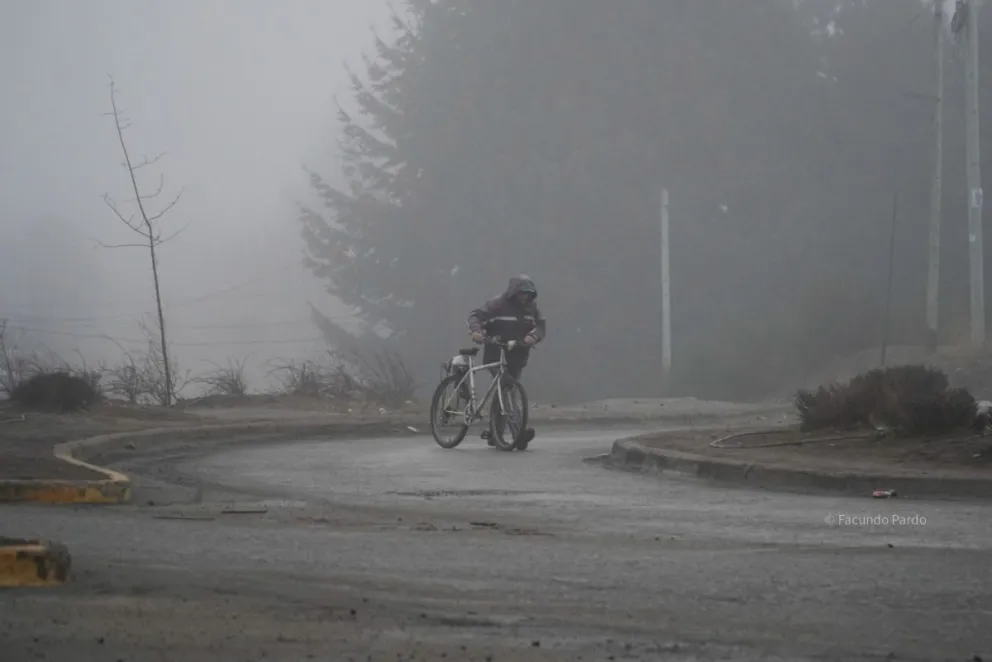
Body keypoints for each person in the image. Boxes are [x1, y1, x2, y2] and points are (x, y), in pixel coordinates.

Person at [466, 275, 546, 447]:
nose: (524, 297)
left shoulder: (531, 308)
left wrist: (534, 336)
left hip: (518, 356)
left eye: (528, 294)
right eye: (521, 293)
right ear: (513, 292)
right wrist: (477, 332)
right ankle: (518, 434)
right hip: (496, 355)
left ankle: (496, 433)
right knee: (507, 389)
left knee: (505, 391)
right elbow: (475, 316)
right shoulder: (496, 305)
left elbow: (540, 325)